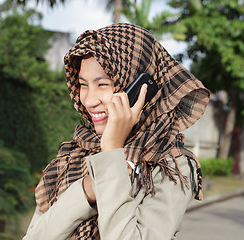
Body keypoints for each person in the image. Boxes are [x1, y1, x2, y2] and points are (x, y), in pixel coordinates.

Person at [23, 23, 210, 240]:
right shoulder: (74, 154)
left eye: (103, 84)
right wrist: (86, 191)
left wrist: (112, 151)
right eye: (83, 84)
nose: (89, 100)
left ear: (139, 90)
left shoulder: (169, 164)